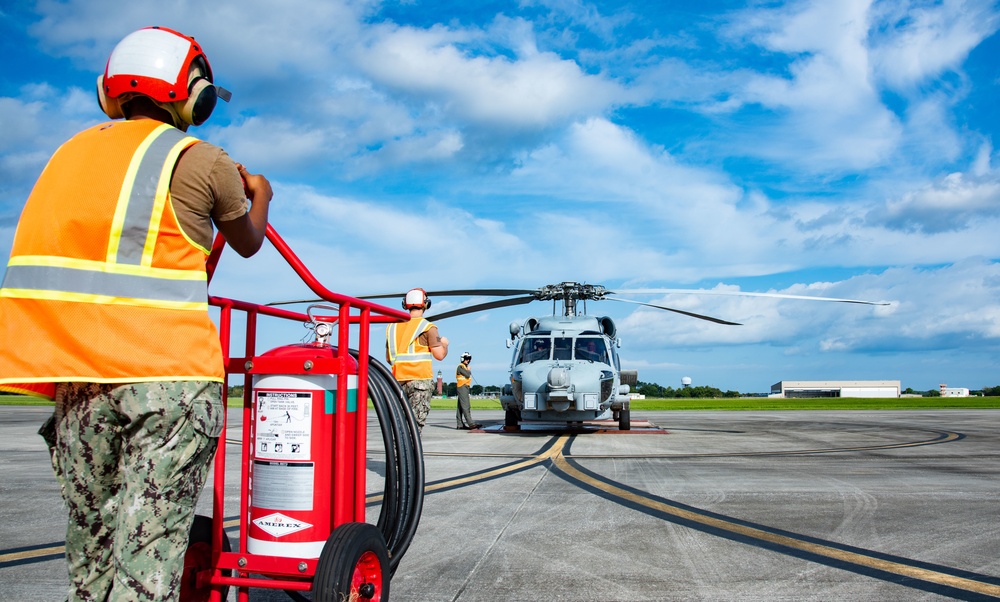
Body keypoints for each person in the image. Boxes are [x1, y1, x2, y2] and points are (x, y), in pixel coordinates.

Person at [0, 26, 273, 602]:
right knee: (146, 559)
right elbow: (247, 242)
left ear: (111, 92)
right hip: (167, 382)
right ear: (191, 95)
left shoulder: (66, 155)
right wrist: (261, 194)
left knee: (91, 553)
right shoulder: (202, 159)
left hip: (80, 380)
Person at [386, 288, 449, 432]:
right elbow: (439, 355)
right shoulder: (428, 327)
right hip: (420, 382)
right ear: (426, 304)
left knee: (398, 425)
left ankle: (398, 454)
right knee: (414, 427)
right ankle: (412, 454)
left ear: (405, 304)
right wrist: (444, 344)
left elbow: (389, 358)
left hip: (397, 382)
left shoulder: (392, 328)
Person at [455, 352, 481, 430]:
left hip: (465, 387)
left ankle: (459, 424)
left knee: (460, 407)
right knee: (466, 406)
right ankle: (471, 424)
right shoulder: (460, 367)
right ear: (462, 359)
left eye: (469, 359)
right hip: (462, 387)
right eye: (466, 359)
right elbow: (467, 374)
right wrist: (469, 370)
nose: (468, 360)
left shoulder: (464, 367)